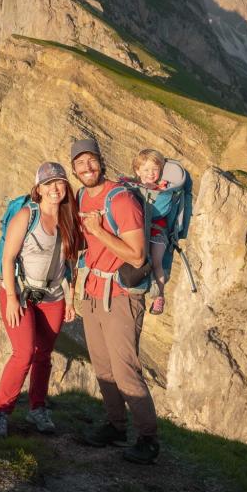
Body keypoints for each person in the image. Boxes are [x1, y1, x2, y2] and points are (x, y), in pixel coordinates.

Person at [71, 138, 160, 464]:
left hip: (121, 295)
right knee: (104, 367)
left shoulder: (121, 200)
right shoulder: (82, 196)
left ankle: (148, 439)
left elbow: (137, 256)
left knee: (125, 370)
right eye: (80, 164)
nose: (87, 168)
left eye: (91, 161)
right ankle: (115, 425)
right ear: (75, 170)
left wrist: (97, 231)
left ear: (100, 161)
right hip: (93, 292)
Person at [0, 161, 81, 438]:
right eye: (49, 184)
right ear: (38, 189)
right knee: (24, 353)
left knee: (44, 355)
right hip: (21, 294)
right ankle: (0, 412)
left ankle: (37, 408)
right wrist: (13, 299)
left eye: (60, 182)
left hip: (53, 296)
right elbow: (8, 258)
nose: (55, 188)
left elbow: (72, 262)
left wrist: (72, 297)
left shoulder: (69, 217)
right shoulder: (27, 216)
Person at [129, 148, 170, 315]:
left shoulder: (163, 189)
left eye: (155, 169)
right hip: (139, 230)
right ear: (137, 171)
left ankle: (159, 296)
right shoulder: (133, 186)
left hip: (157, 233)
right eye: (146, 170)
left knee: (157, 263)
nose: (151, 173)